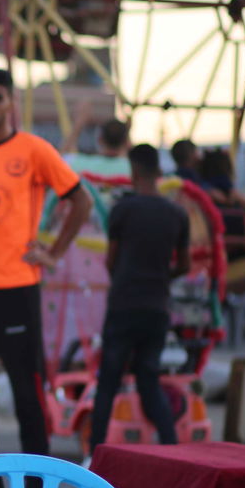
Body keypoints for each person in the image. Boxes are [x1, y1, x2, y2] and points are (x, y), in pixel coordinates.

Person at [0, 68, 92, 458]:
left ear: (11, 102)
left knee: (27, 391)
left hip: (15, 289)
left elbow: (81, 200)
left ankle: (33, 487)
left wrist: (54, 253)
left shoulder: (34, 150)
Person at [87, 144, 190, 454]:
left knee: (108, 382)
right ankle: (171, 450)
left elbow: (110, 261)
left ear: (132, 171)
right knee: (149, 380)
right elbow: (183, 265)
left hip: (123, 305)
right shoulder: (177, 214)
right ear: (159, 171)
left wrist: (124, 277)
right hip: (157, 307)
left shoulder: (122, 210)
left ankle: (95, 455)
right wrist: (161, 277)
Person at [66, 118, 131, 177]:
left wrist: (78, 125)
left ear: (100, 139)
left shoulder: (77, 164)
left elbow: (61, 158)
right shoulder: (132, 171)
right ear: (126, 142)